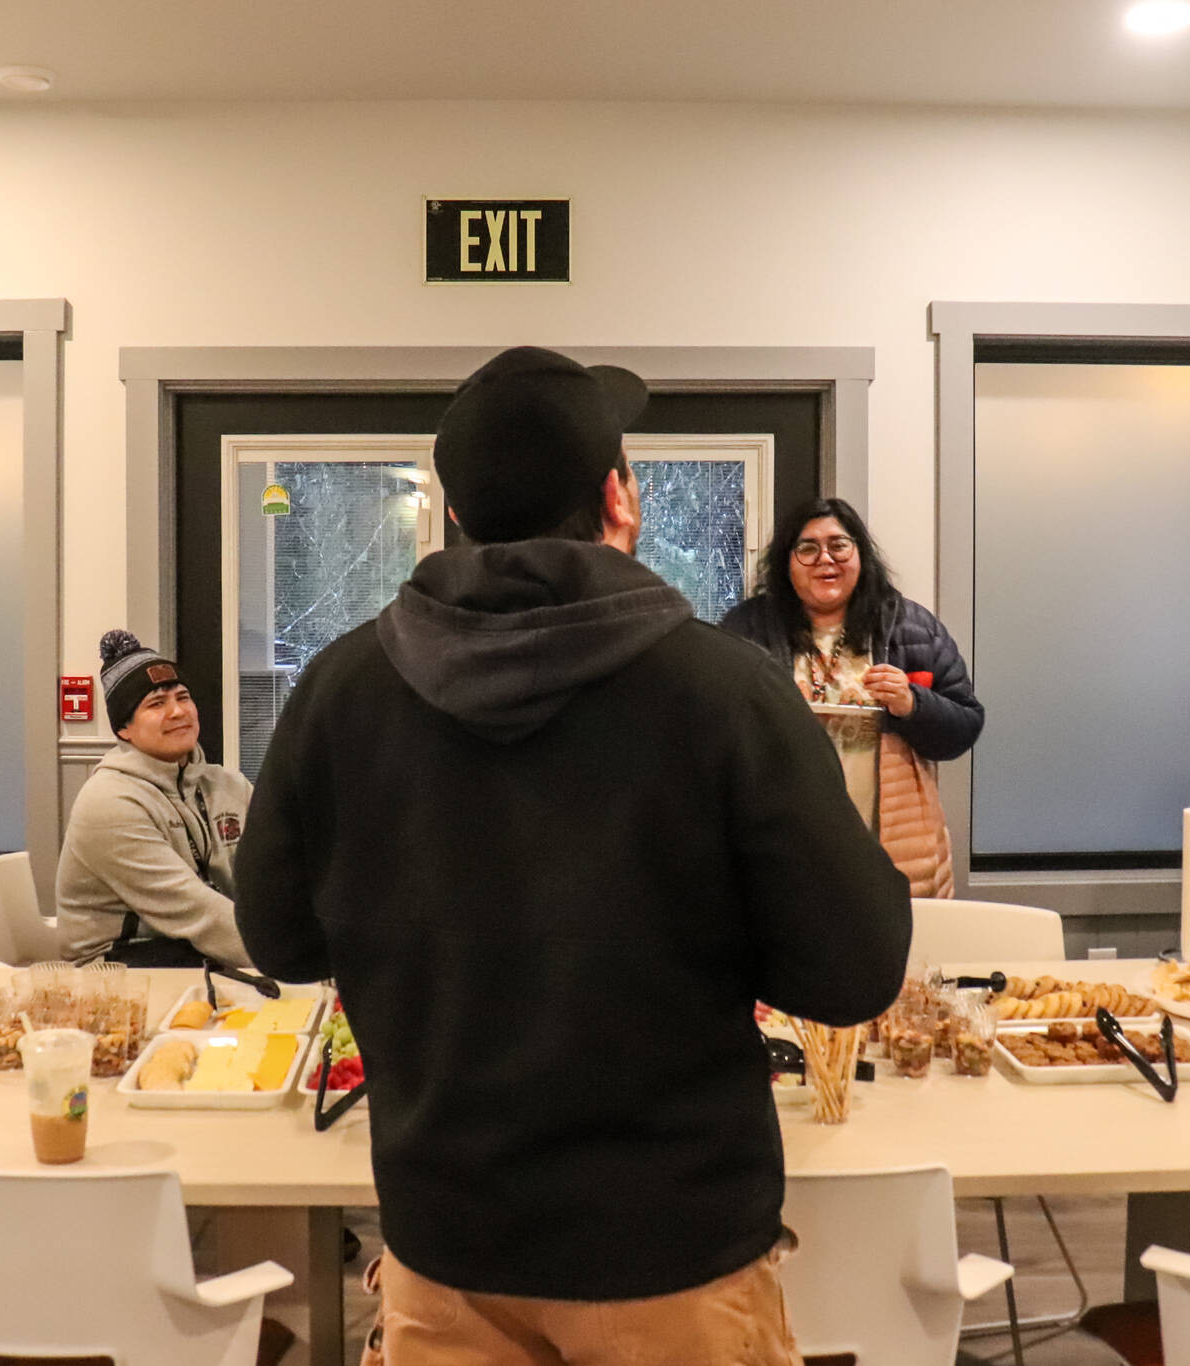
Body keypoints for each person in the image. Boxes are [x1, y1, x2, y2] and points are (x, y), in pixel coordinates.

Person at [234, 346, 911, 1366]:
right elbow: (855, 966)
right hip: (672, 1256)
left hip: (443, 1245)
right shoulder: (723, 689)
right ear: (615, 497)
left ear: (454, 515)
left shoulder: (340, 689)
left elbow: (278, 937)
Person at [720, 497, 983, 896]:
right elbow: (716, 731)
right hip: (785, 848)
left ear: (861, 554)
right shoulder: (748, 629)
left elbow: (965, 726)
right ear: (785, 563)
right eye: (807, 548)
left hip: (898, 851)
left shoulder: (911, 627)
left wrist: (912, 703)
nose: (826, 559)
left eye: (839, 545)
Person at [55, 630, 256, 968]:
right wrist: (298, 957)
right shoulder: (109, 802)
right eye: (157, 704)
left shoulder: (226, 785)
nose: (178, 712)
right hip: (116, 967)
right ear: (124, 729)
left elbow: (276, 873)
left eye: (183, 697)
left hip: (195, 949)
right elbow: (195, 911)